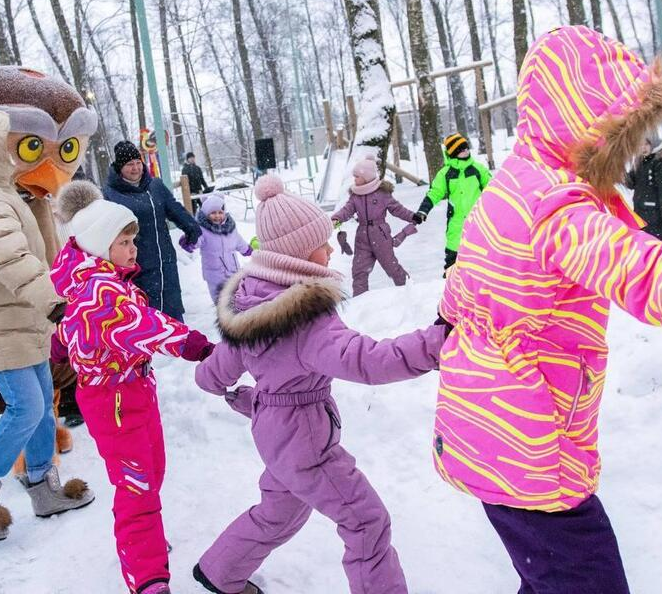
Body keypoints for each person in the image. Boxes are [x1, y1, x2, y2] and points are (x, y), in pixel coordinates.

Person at [432, 25, 662, 593]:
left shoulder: (510, 186)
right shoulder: (555, 209)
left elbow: (463, 285)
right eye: (625, 131)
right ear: (586, 124)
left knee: (549, 578)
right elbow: (644, 271)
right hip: (530, 448)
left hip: (482, 430)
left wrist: (439, 331)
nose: (634, 147)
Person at [191, 174, 449, 594]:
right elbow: (366, 360)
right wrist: (436, 343)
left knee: (279, 510)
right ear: (298, 251)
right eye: (323, 241)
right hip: (304, 439)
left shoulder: (251, 304)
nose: (331, 249)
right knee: (366, 521)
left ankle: (220, 571)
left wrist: (251, 396)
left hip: (273, 431)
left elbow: (214, 372)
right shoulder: (305, 318)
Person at [0, 103, 94, 542]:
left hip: (11, 319)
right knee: (26, 407)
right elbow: (9, 258)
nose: (11, 151)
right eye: (2, 142)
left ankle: (43, 486)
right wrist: (53, 301)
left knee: (43, 399)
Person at [52, 180, 215, 594]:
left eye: (132, 240)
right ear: (98, 244)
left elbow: (68, 329)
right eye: (123, 241)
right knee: (136, 486)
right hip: (114, 400)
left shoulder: (99, 281)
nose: (133, 248)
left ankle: (145, 540)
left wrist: (61, 346)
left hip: (133, 392)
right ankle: (148, 576)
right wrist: (192, 344)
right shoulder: (101, 290)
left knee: (151, 471)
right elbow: (144, 326)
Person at [104, 141, 202, 321]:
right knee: (147, 318)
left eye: (137, 163)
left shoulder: (155, 186)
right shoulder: (110, 194)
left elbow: (175, 209)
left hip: (165, 261)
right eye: (129, 164)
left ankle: (178, 345)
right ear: (119, 168)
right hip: (136, 265)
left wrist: (192, 229)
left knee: (173, 314)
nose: (135, 168)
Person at [331, 154, 416, 296]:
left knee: (392, 267)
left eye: (357, 176)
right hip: (362, 237)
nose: (354, 179)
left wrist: (413, 217)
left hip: (381, 235)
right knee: (359, 271)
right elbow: (347, 211)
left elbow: (397, 209)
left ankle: (410, 291)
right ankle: (360, 300)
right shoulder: (355, 195)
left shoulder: (382, 194)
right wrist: (335, 220)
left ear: (366, 177)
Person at [412, 133, 491, 271]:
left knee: (483, 248)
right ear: (454, 153)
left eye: (466, 147)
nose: (465, 150)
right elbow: (435, 193)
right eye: (461, 149)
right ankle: (450, 275)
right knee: (454, 248)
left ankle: (485, 275)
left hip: (479, 218)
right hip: (457, 220)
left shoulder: (478, 169)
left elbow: (493, 188)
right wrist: (423, 210)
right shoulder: (446, 173)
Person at [626, 134, 662, 246]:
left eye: (646, 144)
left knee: (656, 249)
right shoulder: (642, 161)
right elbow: (631, 182)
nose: (643, 148)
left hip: (656, 219)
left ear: (654, 143)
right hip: (641, 216)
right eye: (640, 145)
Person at [195, 194, 252, 303]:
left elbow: (238, 240)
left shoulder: (230, 228)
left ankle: (236, 315)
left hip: (233, 270)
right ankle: (223, 316)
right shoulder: (202, 230)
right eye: (213, 213)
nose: (217, 216)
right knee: (220, 301)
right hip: (214, 274)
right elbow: (196, 240)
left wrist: (247, 249)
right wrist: (189, 241)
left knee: (237, 297)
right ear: (206, 214)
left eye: (220, 212)